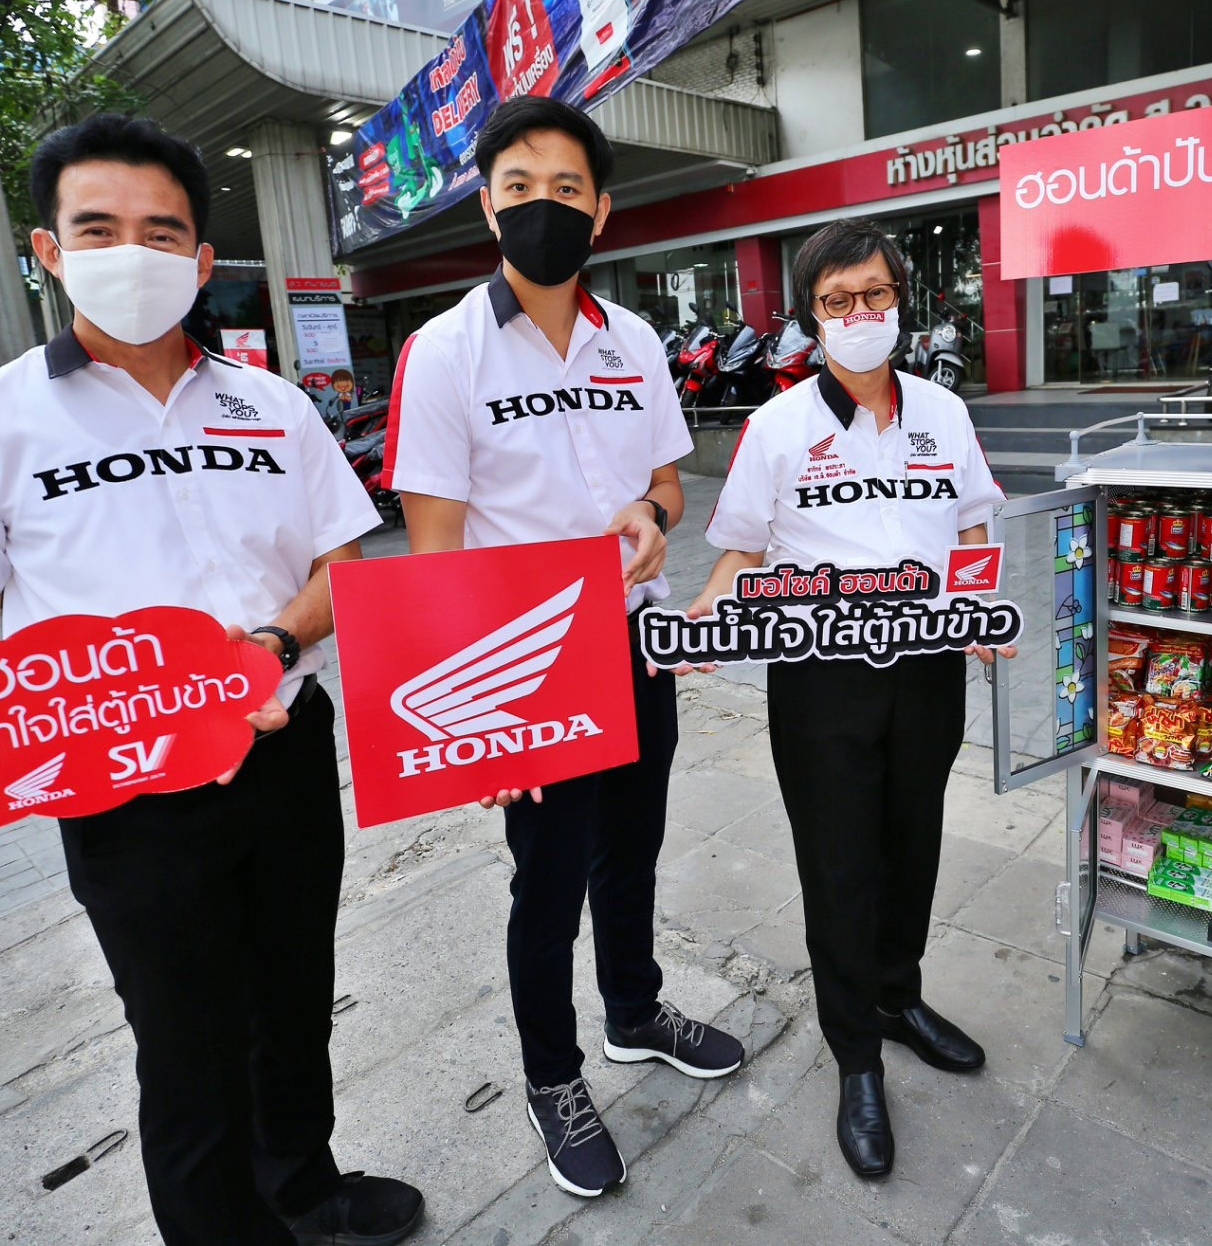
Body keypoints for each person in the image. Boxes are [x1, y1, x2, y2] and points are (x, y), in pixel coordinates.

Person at [0, 113, 424, 1246]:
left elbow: (343, 564)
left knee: (293, 1001)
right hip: (122, 792)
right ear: (49, 249)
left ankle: (304, 1187)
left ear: (201, 260)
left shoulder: (273, 408)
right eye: (98, 228)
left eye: (161, 232)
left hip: (283, 752)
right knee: (186, 1050)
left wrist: (271, 644)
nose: (132, 252)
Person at [383, 96, 745, 1199]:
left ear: (602, 209)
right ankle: (554, 1077)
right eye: (520, 186)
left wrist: (653, 516)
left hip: (633, 645)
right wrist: (479, 721)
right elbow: (432, 554)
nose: (544, 205)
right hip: (527, 669)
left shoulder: (631, 340)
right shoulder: (443, 352)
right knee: (545, 888)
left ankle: (634, 1011)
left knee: (632, 850)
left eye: (567, 188)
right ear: (488, 207)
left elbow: (668, 483)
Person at [689, 218, 1009, 1180]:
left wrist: (983, 609)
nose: (860, 312)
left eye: (875, 293)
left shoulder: (942, 412)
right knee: (839, 865)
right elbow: (742, 550)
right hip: (820, 678)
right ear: (811, 315)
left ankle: (898, 997)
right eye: (838, 300)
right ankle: (855, 1052)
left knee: (914, 845)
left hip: (929, 667)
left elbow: (972, 530)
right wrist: (708, 610)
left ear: (901, 300)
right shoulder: (777, 427)